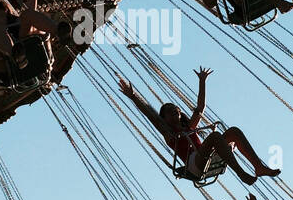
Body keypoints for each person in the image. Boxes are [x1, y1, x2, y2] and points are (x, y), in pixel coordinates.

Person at [118, 68, 281, 187]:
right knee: (215, 137)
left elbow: (200, 108)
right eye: (170, 113)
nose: (174, 115)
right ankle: (241, 173)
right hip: (194, 165)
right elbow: (151, 116)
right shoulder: (169, 134)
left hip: (205, 155)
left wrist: (202, 82)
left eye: (176, 112)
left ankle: (258, 167)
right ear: (165, 118)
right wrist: (133, 97)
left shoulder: (189, 127)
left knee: (234, 132)